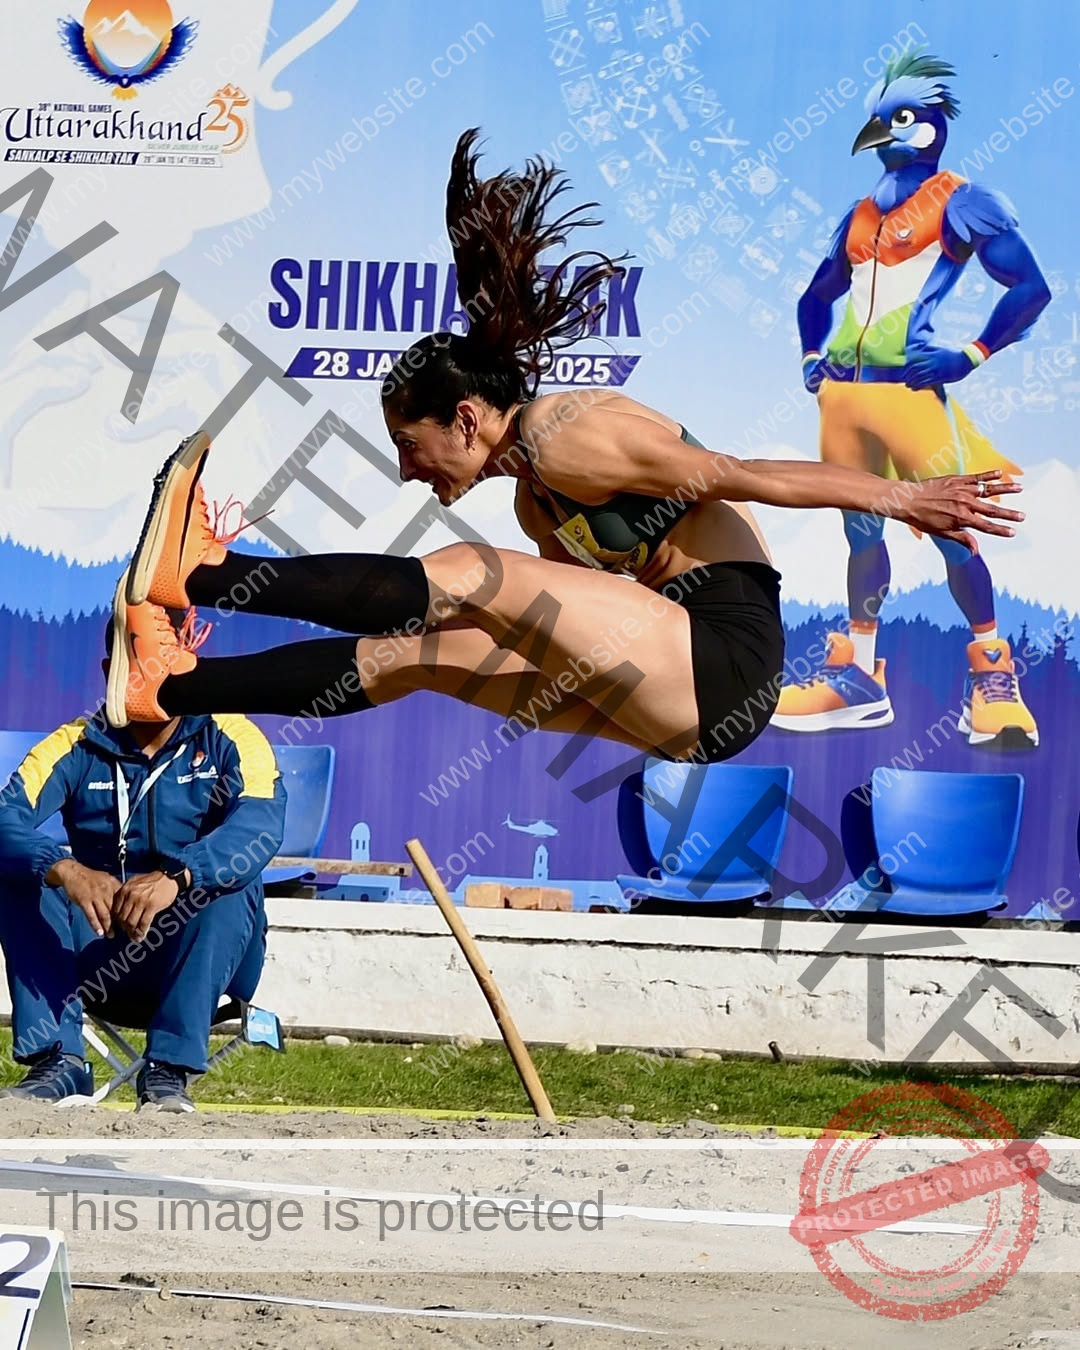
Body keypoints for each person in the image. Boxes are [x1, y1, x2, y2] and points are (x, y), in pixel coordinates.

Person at [104, 129, 1022, 770]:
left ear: (468, 418)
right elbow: (589, 612)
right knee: (411, 657)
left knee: (466, 573)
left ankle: (205, 574)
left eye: (413, 446)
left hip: (720, 659)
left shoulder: (573, 435)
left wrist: (905, 501)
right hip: (674, 695)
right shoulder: (533, 498)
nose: (408, 470)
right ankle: (169, 690)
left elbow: (756, 477)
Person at [0, 619, 286, 1111]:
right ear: (109, 671)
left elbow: (260, 825)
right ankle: (60, 1061)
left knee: (232, 879)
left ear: (186, 667)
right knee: (22, 873)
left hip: (199, 963)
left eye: (164, 665)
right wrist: (64, 867)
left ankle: (167, 1071)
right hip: (97, 960)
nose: (151, 679)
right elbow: (6, 819)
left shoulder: (230, 736)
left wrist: (180, 876)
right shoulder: (76, 743)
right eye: (133, 667)